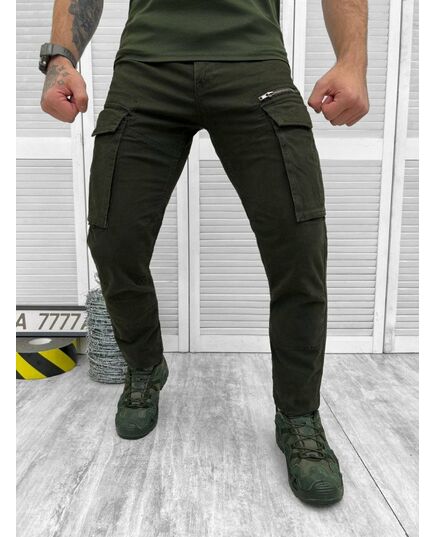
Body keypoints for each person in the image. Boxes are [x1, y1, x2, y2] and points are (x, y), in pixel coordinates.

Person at [40, 0, 369, 507]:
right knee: (113, 238)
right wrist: (61, 58)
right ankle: (145, 367)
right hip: (146, 66)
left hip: (253, 61)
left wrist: (352, 59)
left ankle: (299, 416)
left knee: (299, 245)